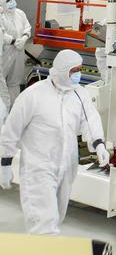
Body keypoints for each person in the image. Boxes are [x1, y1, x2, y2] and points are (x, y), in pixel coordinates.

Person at [0, 48, 108, 234]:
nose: (78, 75)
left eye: (79, 70)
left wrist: (99, 144)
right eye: (74, 71)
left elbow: (90, 119)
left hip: (66, 167)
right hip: (38, 169)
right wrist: (4, 163)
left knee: (57, 217)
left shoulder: (79, 94)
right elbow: (11, 130)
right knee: (44, 223)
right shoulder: (33, 95)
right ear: (62, 70)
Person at [0, 0, 31, 106]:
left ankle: (14, 110)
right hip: (5, 52)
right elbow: (1, 34)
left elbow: (27, 27)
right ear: (2, 4)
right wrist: (13, 41)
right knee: (1, 80)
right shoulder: (1, 16)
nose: (12, 1)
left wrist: (24, 38)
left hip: (19, 50)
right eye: (8, 0)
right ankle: (2, 112)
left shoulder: (20, 13)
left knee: (15, 81)